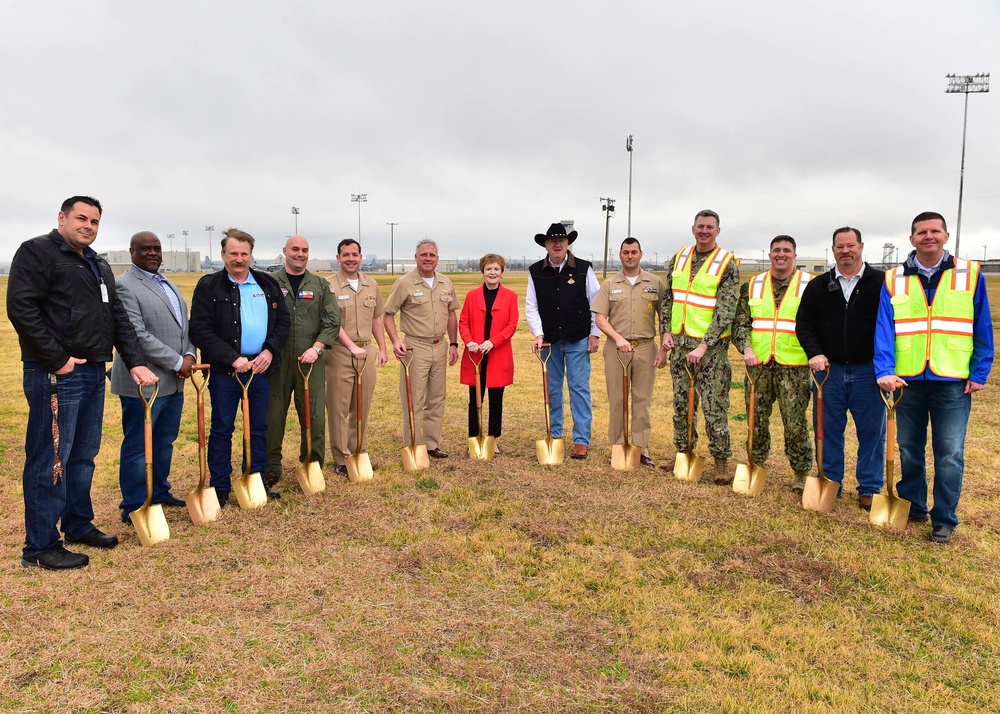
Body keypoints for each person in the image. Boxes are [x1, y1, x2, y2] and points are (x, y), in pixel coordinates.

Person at [7, 196, 156, 570]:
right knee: (51, 458)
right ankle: (40, 547)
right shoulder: (38, 252)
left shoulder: (97, 262)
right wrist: (56, 360)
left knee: (83, 455)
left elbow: (116, 317)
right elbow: (21, 308)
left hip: (92, 370)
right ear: (62, 218)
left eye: (94, 221)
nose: (88, 226)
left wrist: (135, 362)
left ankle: (76, 523)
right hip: (57, 374)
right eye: (81, 218)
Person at [875, 212, 993, 544]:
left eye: (934, 231)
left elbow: (982, 325)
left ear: (945, 235)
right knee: (909, 448)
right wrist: (885, 370)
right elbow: (884, 329)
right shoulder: (894, 278)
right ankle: (913, 505)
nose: (928, 236)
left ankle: (944, 518)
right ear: (911, 239)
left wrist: (980, 371)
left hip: (952, 379)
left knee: (949, 451)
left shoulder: (969, 275)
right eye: (921, 232)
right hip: (907, 380)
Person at [190, 228, 290, 505]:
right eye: (233, 253)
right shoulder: (209, 286)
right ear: (223, 255)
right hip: (226, 371)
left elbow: (283, 323)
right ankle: (220, 487)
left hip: (259, 368)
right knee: (222, 428)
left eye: (244, 254)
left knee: (258, 427)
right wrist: (232, 357)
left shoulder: (267, 285)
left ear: (250, 255)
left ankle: (254, 479)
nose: (238, 259)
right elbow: (200, 330)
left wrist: (269, 351)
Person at [110, 232, 196, 525]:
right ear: (131, 251)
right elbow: (135, 335)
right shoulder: (124, 286)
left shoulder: (167, 282)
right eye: (145, 249)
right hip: (143, 382)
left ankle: (158, 492)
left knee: (164, 441)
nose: (152, 253)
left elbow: (185, 327)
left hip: (173, 381)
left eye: (156, 248)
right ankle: (135, 504)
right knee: (138, 444)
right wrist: (176, 361)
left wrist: (189, 356)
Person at [795, 226, 885, 510]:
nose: (845, 251)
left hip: (867, 371)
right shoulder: (819, 285)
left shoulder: (881, 282)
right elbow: (804, 324)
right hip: (828, 373)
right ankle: (830, 480)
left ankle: (869, 488)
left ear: (861, 246)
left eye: (850, 245)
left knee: (871, 432)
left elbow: (890, 326)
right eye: (839, 246)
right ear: (833, 249)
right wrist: (815, 353)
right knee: (826, 429)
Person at [660, 210, 740, 483]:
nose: (704, 231)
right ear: (693, 229)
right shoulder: (679, 257)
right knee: (682, 406)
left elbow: (726, 308)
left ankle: (720, 462)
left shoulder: (726, 263)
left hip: (711, 350)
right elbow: (668, 298)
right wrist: (665, 333)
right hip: (680, 346)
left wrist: (704, 345)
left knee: (715, 407)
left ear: (718, 231)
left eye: (710, 227)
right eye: (700, 226)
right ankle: (683, 453)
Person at [732, 235, 814, 491]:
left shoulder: (810, 285)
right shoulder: (753, 285)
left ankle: (801, 472)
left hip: (795, 366)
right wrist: (746, 348)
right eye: (776, 250)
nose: (781, 254)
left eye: (787, 250)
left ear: (794, 255)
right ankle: (755, 464)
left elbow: (819, 325)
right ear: (769, 255)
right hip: (759, 366)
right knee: (756, 420)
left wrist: (816, 354)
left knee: (795, 422)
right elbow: (741, 323)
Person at [264, 235, 340, 489]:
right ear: (284, 251)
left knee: (314, 416)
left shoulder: (320, 285)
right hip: (276, 360)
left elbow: (332, 322)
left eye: (305, 250)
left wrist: (317, 348)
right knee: (273, 417)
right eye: (295, 249)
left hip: (310, 360)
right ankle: (270, 467)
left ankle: (312, 464)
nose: (300, 254)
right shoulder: (268, 282)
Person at [526, 223, 601, 459]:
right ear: (546, 245)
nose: (557, 245)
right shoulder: (536, 271)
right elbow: (531, 306)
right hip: (550, 342)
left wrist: (595, 333)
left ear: (568, 244)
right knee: (553, 390)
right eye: (552, 241)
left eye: (562, 241)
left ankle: (581, 440)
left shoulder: (583, 269)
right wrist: (538, 334)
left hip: (578, 339)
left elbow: (596, 303)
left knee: (579, 389)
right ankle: (555, 434)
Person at [591, 237, 667, 467]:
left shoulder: (654, 282)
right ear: (620, 255)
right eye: (626, 252)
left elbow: (665, 317)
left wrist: (663, 348)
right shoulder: (609, 284)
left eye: (634, 252)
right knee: (617, 400)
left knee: (642, 401)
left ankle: (641, 449)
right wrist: (618, 338)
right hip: (616, 349)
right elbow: (600, 318)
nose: (630, 256)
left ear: (641, 254)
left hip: (645, 347)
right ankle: (618, 447)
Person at [383, 240, 460, 458]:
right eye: (423, 254)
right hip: (415, 347)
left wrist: (454, 343)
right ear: (416, 257)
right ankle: (414, 446)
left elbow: (451, 313)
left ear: (437, 258)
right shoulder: (405, 283)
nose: (428, 258)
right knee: (413, 399)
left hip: (440, 345)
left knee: (437, 398)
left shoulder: (446, 282)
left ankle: (431, 445)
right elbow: (388, 314)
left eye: (432, 255)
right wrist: (395, 341)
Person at [326, 239, 388, 476]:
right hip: (340, 352)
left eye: (355, 254)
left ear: (361, 257)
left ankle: (358, 452)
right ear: (338, 257)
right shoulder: (329, 286)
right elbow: (332, 322)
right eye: (345, 254)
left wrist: (382, 348)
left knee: (361, 406)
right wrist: (351, 347)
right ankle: (341, 458)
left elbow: (376, 318)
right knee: (339, 407)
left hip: (366, 352)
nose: (350, 258)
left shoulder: (370, 284)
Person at [459, 254, 520, 454]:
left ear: (502, 272)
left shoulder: (510, 296)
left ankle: (493, 438)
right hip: (475, 355)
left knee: (496, 399)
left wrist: (492, 342)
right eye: (488, 269)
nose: (492, 273)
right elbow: (464, 322)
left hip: (497, 355)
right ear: (482, 272)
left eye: (496, 269)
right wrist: (469, 342)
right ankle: (474, 437)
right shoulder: (472, 295)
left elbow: (511, 325)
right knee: (474, 399)